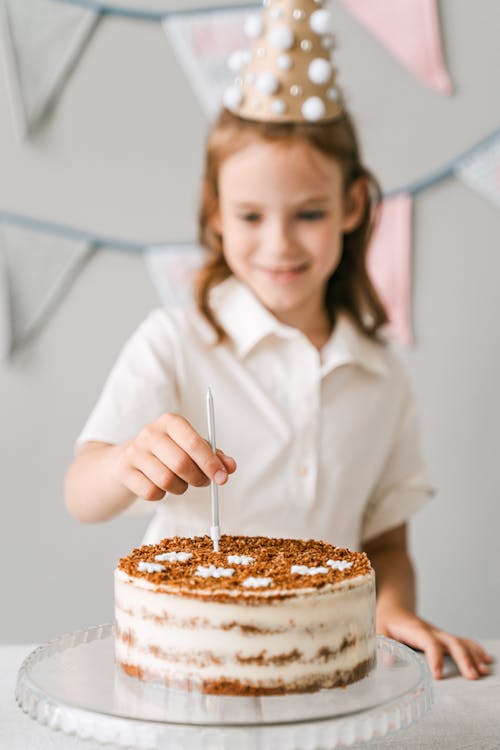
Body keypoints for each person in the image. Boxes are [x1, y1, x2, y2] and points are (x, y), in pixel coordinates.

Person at [65, 0, 492, 681]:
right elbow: (81, 493)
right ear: (215, 215)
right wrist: (124, 464)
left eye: (309, 213)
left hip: (321, 682)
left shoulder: (381, 377)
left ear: (354, 206)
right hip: (184, 675)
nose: (279, 243)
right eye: (250, 215)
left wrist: (397, 612)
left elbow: (385, 542)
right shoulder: (175, 339)